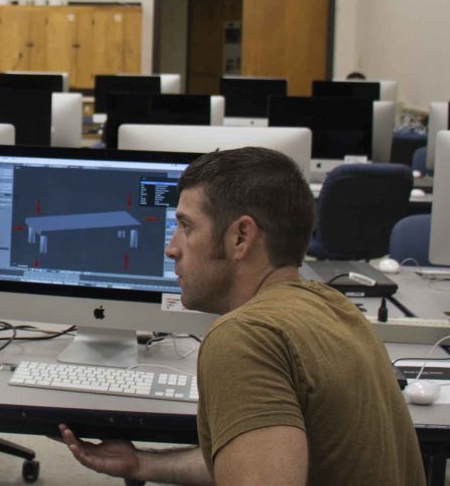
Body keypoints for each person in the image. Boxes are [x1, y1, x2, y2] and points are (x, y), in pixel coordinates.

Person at [59, 147, 424, 485]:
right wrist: (144, 464)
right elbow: (264, 457)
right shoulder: (333, 308)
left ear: (240, 237)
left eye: (186, 226)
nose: (171, 248)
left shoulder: (245, 336)